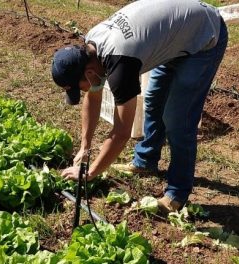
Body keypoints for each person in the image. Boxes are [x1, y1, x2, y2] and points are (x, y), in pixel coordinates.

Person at [52, 0, 228, 213]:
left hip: (203, 37)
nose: (83, 92)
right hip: (175, 37)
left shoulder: (120, 63)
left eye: (79, 88)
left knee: (178, 119)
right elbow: (93, 96)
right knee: (154, 100)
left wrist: (91, 172)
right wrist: (84, 147)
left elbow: (121, 132)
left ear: (89, 73)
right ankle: (146, 161)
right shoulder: (91, 47)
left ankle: (177, 194)